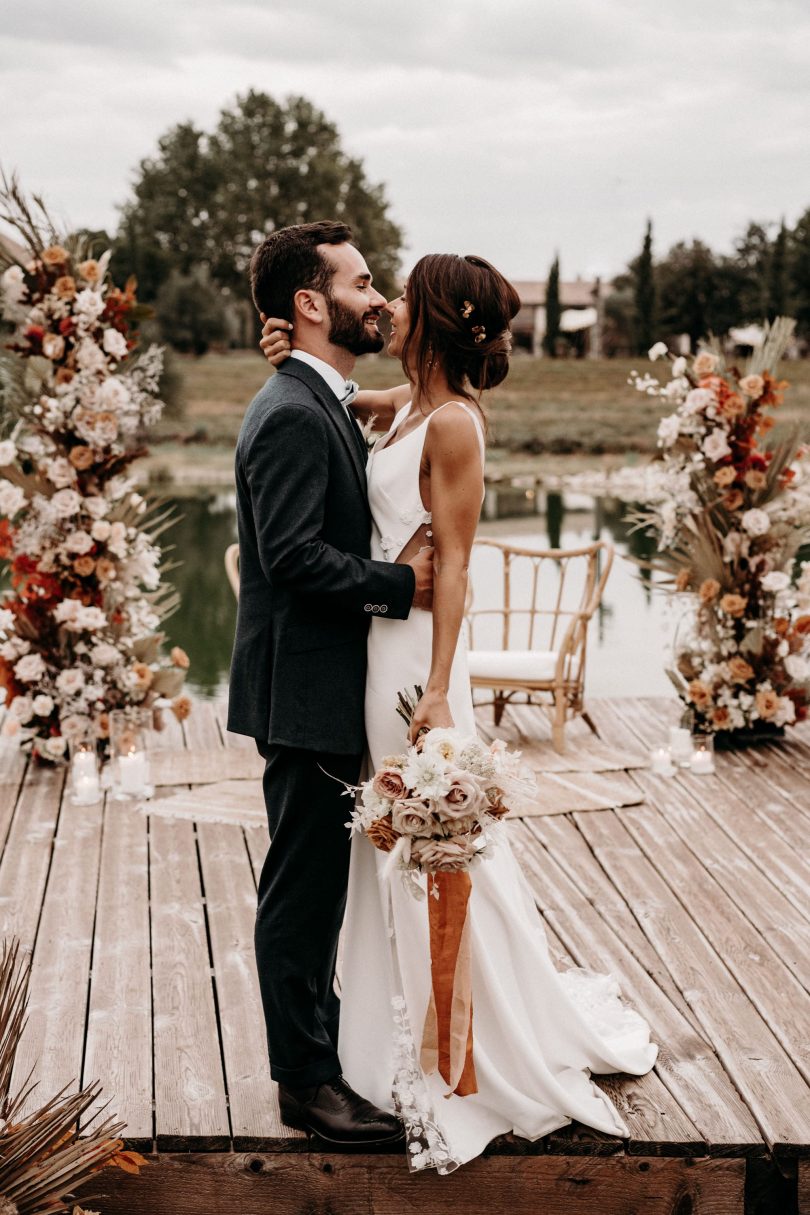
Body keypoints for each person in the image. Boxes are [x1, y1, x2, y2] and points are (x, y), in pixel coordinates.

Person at [260, 248, 658, 1172]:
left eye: (400, 294)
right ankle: (377, 1039)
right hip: (371, 651)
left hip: (414, 662)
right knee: (379, 846)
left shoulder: (454, 428)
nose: (388, 304)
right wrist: (283, 357)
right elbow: (324, 407)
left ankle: (468, 1047)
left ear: (433, 315)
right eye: (378, 290)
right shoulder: (402, 407)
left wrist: (440, 690)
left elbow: (458, 568)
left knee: (438, 850)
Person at [228, 221, 436, 1146]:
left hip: (323, 683)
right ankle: (305, 1084)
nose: (378, 295)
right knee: (302, 887)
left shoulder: (318, 400)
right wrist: (405, 585)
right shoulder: (286, 415)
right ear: (312, 304)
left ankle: (321, 1047)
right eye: (360, 281)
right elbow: (292, 556)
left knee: (316, 881)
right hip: (305, 688)